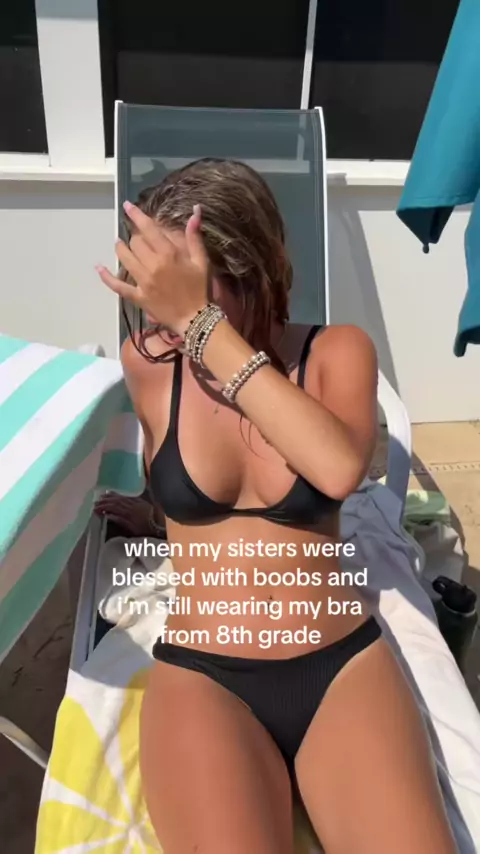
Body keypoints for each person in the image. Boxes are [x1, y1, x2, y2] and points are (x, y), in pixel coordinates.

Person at [96, 159, 458, 854]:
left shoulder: (335, 352)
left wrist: (203, 327)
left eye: (180, 284)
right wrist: (155, 521)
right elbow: (185, 495)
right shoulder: (148, 363)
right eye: (151, 284)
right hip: (206, 675)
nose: (161, 310)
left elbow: (337, 467)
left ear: (251, 270)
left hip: (339, 667)